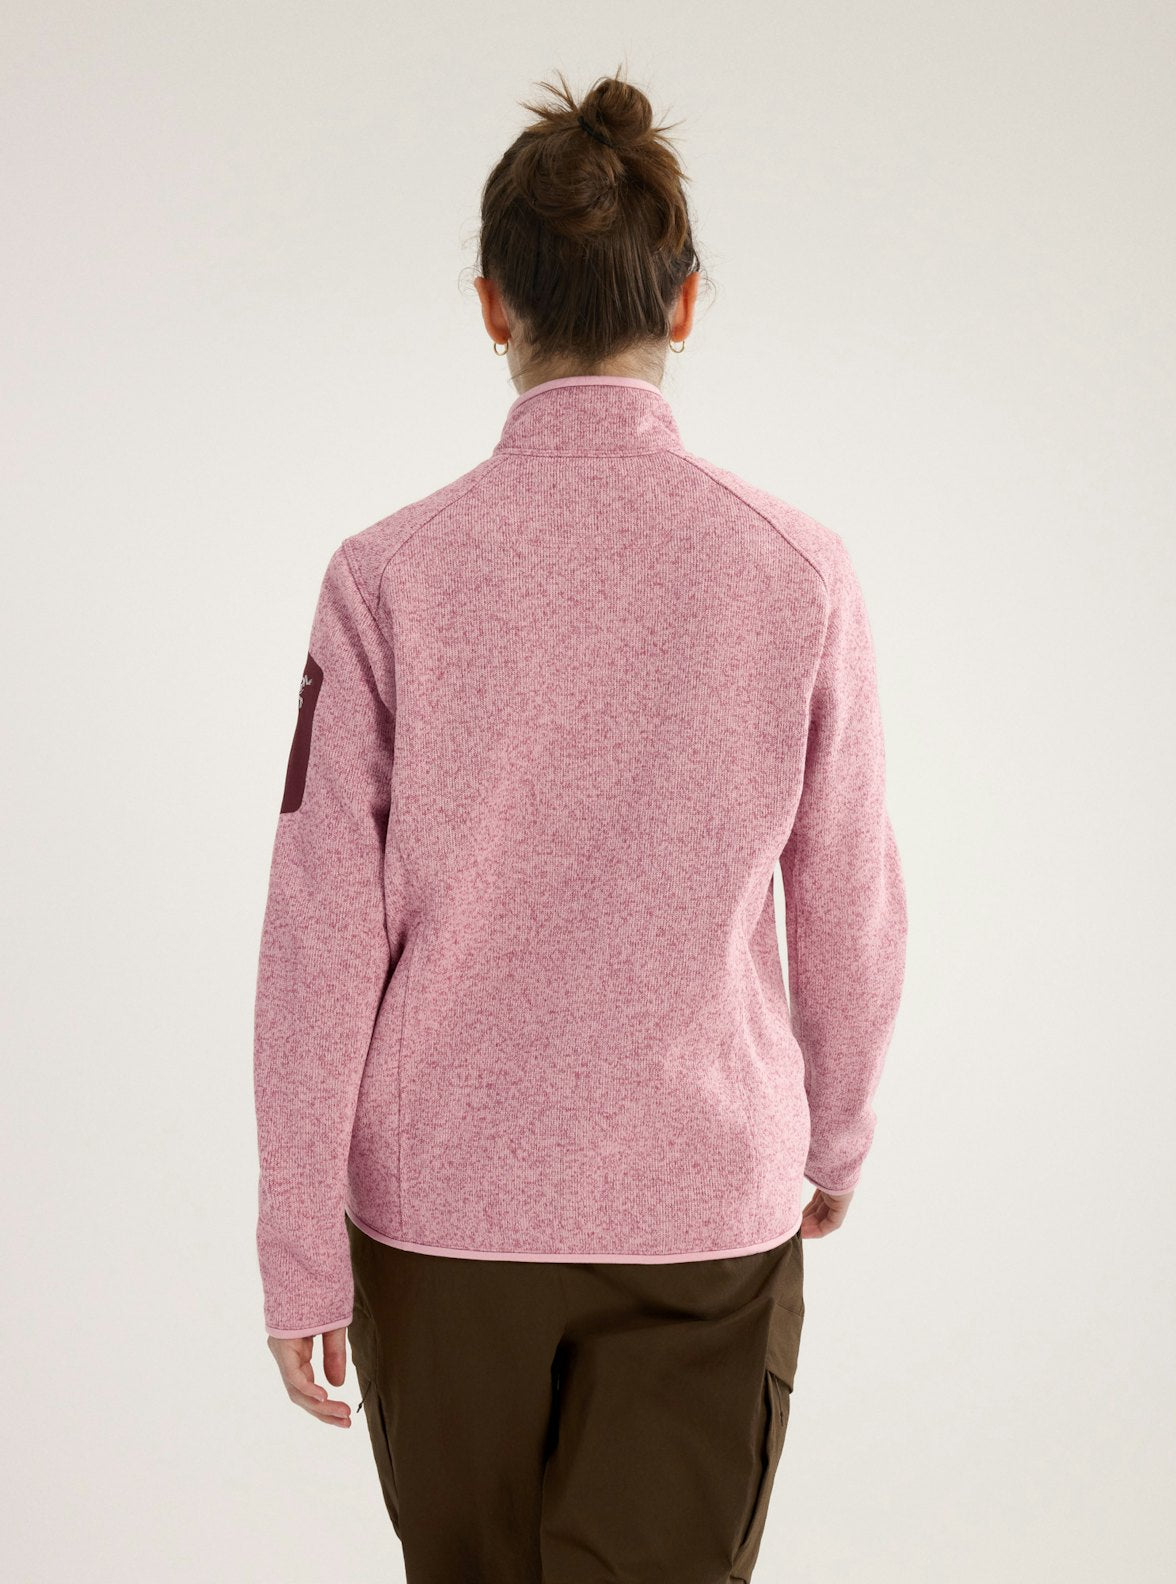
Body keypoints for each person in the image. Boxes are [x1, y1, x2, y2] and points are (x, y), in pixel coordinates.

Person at [253, 66, 908, 1584]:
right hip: (704, 1209)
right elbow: (852, 891)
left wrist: (298, 1241)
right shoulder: (798, 571)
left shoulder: (388, 575)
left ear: (493, 307)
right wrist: (838, 1127)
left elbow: (318, 931)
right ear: (684, 303)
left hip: (438, 1223)